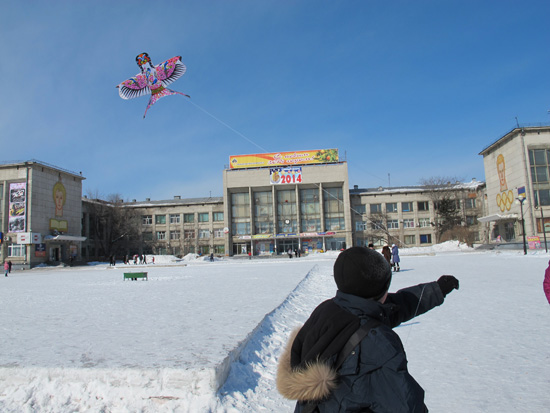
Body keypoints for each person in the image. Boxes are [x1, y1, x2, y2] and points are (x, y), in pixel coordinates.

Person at [277, 246, 459, 412]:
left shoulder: (330, 309)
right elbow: (406, 404)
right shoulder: (376, 343)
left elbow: (396, 306)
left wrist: (437, 290)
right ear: (380, 292)